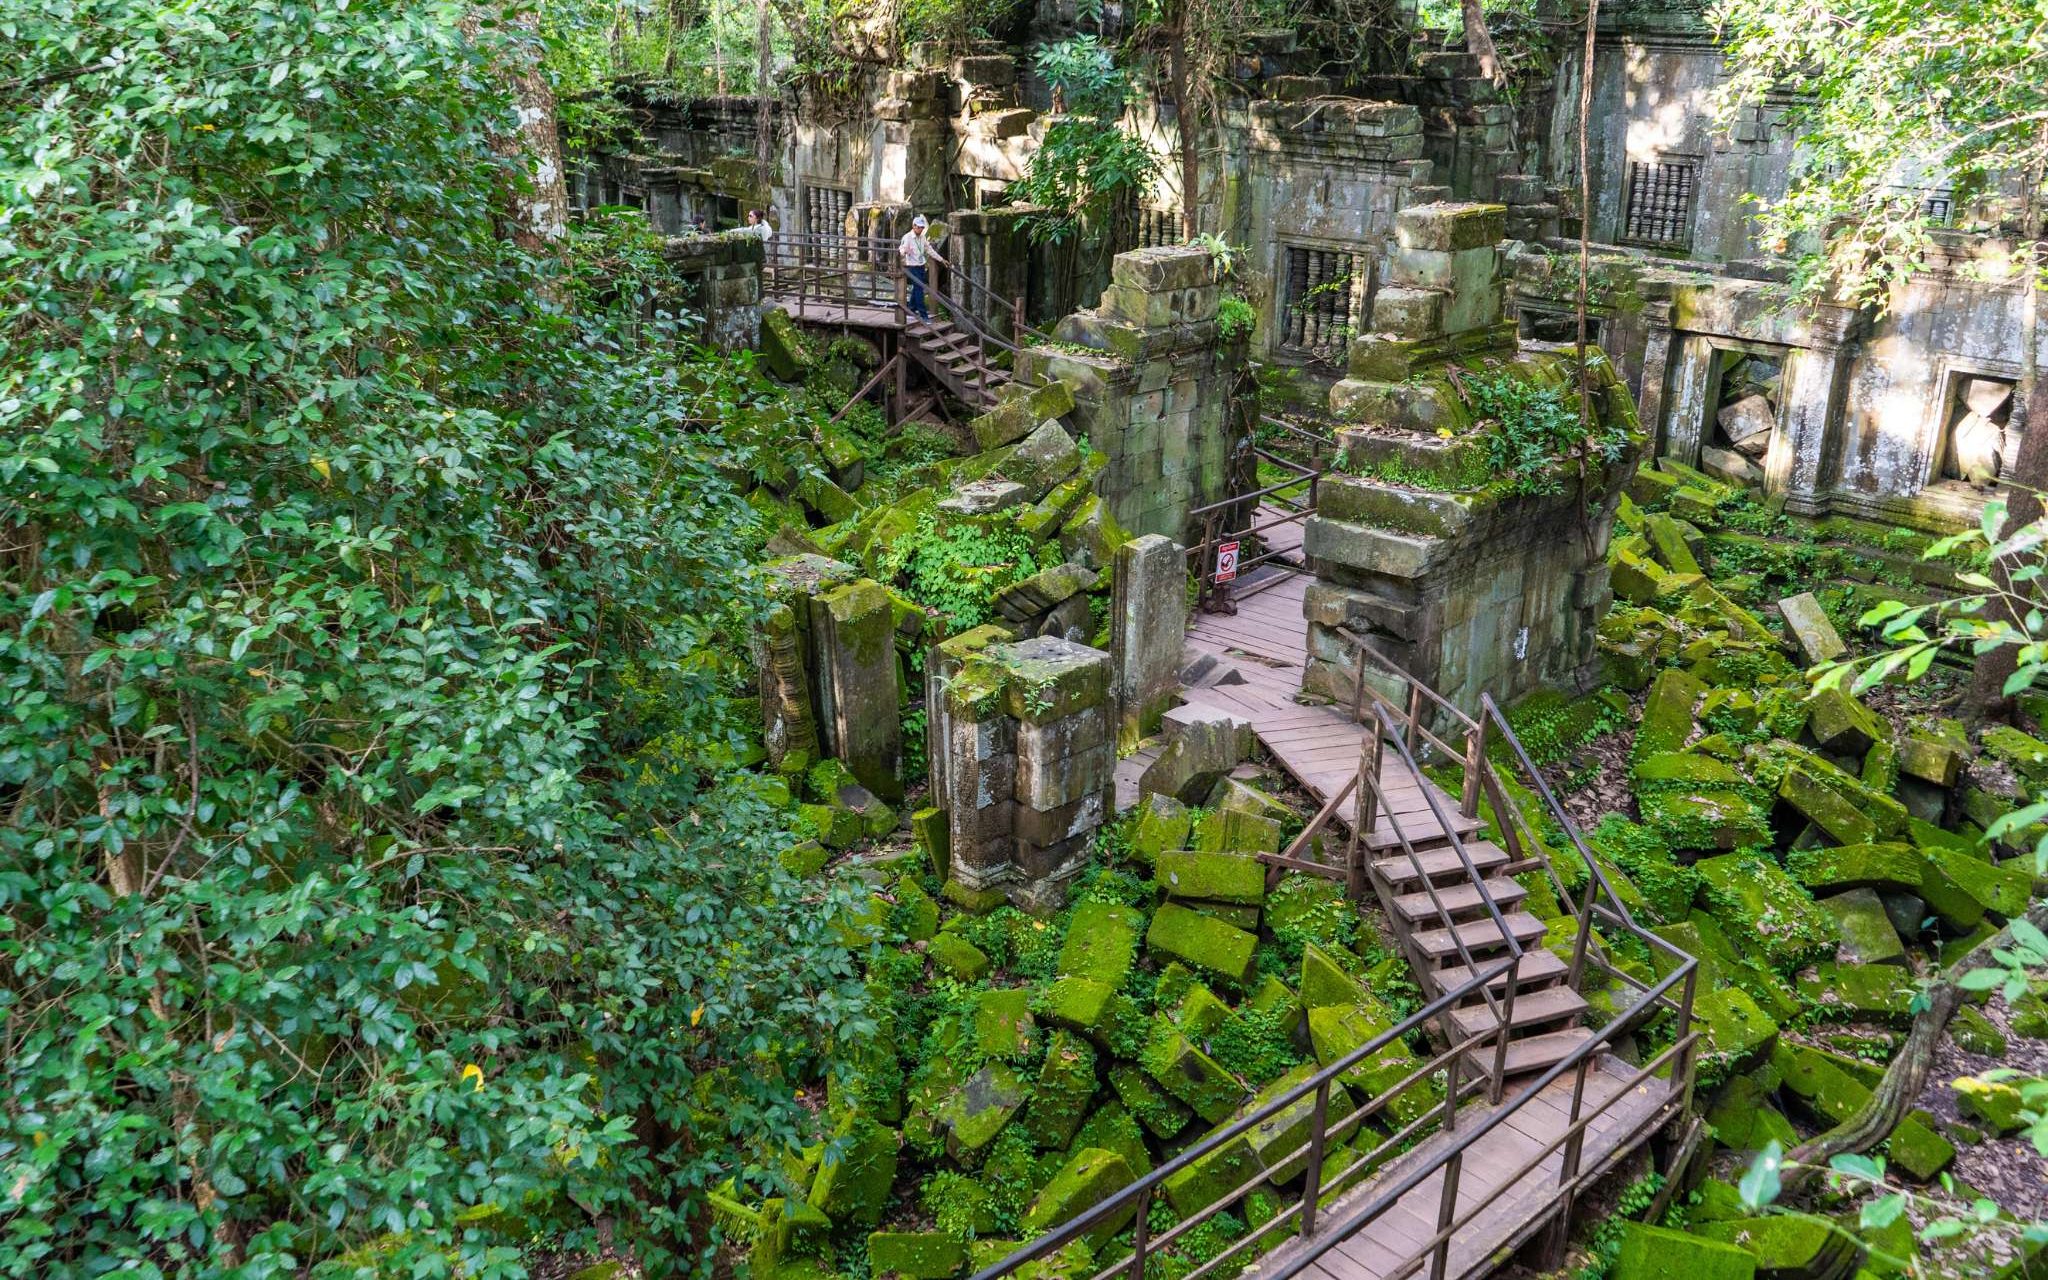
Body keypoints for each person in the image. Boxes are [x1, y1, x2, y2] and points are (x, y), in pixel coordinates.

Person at [899, 214, 933, 322]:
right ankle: (923, 315)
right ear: (914, 226)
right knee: (919, 289)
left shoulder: (922, 238)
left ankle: (911, 308)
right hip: (912, 266)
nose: (920, 229)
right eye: (919, 227)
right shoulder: (907, 237)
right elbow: (901, 249)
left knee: (917, 288)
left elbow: (930, 250)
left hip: (921, 266)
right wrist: (904, 251)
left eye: (922, 227)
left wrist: (941, 259)